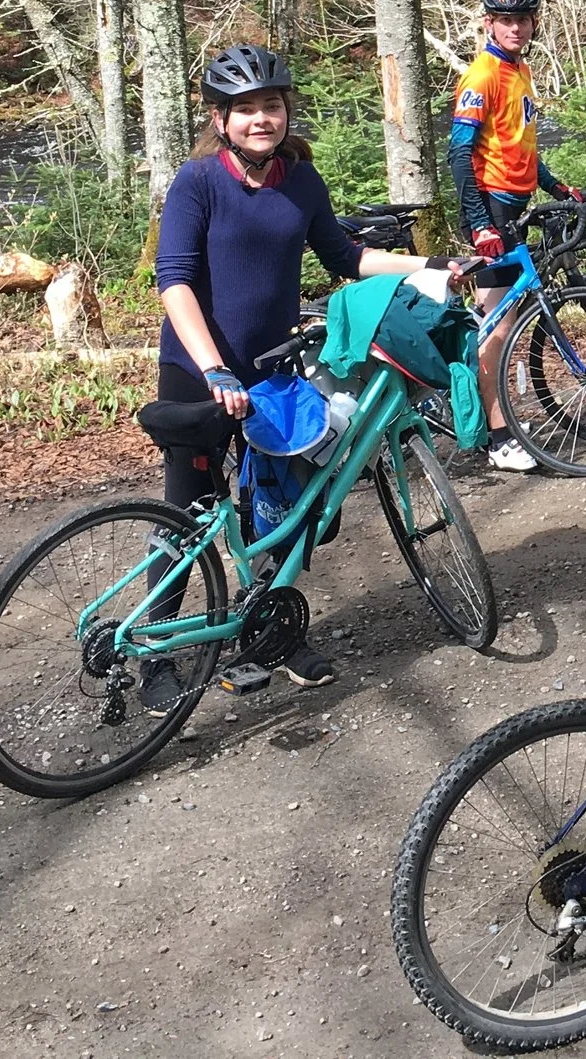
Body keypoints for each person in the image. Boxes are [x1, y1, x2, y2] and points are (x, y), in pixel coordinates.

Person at [151, 47, 376, 700]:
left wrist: (431, 268)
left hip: (273, 375)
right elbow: (174, 282)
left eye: (270, 105)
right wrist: (215, 368)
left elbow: (346, 256)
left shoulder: (301, 180)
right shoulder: (198, 182)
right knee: (186, 515)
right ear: (220, 118)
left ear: (286, 111)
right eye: (245, 108)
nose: (260, 118)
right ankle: (157, 656)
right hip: (198, 373)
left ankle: (268, 632)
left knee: (283, 507)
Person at [451, 0, 581, 474]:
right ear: (489, 23)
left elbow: (520, 145)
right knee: (497, 330)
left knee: (502, 322)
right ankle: (499, 437)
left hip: (514, 203)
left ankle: (498, 420)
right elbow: (460, 155)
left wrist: (556, 187)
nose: (515, 27)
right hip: (491, 207)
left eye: (522, 19)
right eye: (505, 19)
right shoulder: (482, 77)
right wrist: (480, 222)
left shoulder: (519, 69)